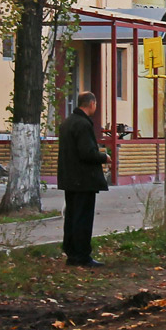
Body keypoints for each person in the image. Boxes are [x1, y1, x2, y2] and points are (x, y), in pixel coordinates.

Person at [58, 91, 110, 268]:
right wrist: (104, 157)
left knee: (72, 217)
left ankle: (72, 253)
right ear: (92, 103)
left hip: (70, 179)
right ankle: (82, 256)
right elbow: (87, 153)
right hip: (83, 180)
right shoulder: (83, 124)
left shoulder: (67, 123)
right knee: (83, 218)